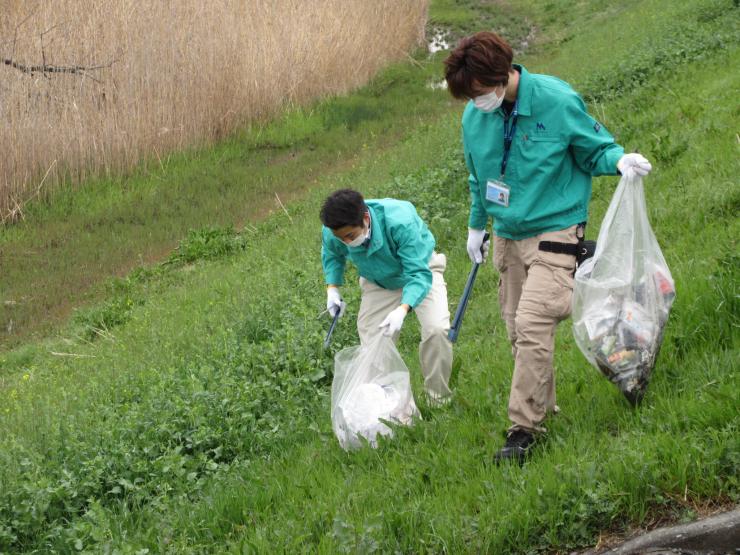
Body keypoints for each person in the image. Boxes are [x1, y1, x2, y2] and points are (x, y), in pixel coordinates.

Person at [443, 31, 652, 464]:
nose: (475, 102)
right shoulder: (474, 118)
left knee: (533, 322)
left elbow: (593, 149)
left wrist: (617, 160)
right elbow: (478, 178)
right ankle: (556, 396)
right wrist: (476, 226)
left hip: (556, 229)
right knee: (517, 333)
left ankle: (523, 430)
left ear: (501, 77)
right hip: (508, 233)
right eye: (468, 96)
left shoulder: (555, 100)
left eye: (479, 92)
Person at [320, 189, 453, 404]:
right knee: (373, 346)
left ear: (365, 218)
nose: (345, 242)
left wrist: (403, 309)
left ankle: (438, 399)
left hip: (421, 271)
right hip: (378, 281)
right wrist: (332, 289)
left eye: (350, 236)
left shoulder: (400, 221)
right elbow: (332, 254)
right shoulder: (334, 230)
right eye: (340, 238)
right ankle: (391, 407)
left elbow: (418, 274)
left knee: (436, 330)